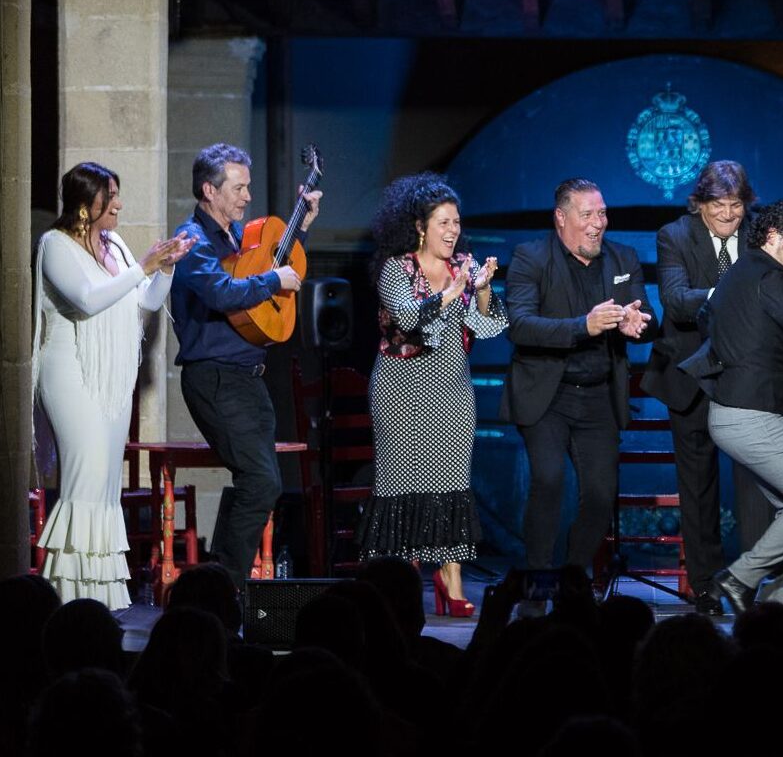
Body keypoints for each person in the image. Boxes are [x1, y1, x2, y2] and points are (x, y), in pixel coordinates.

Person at [34, 162, 193, 609]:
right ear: (87, 206)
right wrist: (142, 267)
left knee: (105, 487)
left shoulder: (115, 245)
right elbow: (86, 299)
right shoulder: (55, 246)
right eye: (112, 198)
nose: (119, 205)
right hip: (70, 373)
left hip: (110, 378)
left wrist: (164, 268)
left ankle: (103, 600)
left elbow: (144, 300)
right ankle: (68, 598)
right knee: (84, 480)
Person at [171, 142, 322, 589]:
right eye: (238, 188)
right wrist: (273, 280)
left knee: (257, 482)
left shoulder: (239, 238)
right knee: (260, 482)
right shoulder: (192, 242)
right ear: (208, 190)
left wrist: (301, 230)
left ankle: (217, 583)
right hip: (214, 377)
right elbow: (221, 292)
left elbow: (274, 264)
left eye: (249, 187)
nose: (247, 197)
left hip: (248, 378)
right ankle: (222, 587)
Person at [356, 172, 507, 617]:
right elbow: (406, 318)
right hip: (400, 387)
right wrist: (449, 295)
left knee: (450, 483)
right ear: (420, 226)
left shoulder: (464, 266)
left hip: (452, 389)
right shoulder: (396, 268)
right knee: (402, 482)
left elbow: (489, 325)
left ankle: (451, 576)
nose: (452, 230)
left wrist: (479, 292)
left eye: (456, 222)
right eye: (443, 222)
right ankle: (399, 579)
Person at [680, 199, 783, 615]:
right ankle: (736, 580)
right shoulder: (772, 278)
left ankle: (771, 611)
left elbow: (706, 323)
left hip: (729, 413)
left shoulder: (735, 274)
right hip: (753, 416)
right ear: (773, 236)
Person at [501, 178, 655, 577]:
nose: (597, 223)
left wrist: (638, 323)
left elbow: (648, 316)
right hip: (548, 394)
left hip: (599, 395)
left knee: (602, 495)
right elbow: (519, 325)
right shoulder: (530, 257)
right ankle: (537, 580)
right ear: (561, 218)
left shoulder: (623, 259)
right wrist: (582, 327)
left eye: (601, 213)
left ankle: (573, 576)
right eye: (586, 214)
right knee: (549, 481)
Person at [640, 160, 770, 614]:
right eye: (718, 206)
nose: (728, 215)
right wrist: (730, 294)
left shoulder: (759, 232)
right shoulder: (674, 236)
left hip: (747, 374)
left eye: (736, 205)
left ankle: (751, 584)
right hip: (690, 373)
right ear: (699, 204)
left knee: (755, 481)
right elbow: (676, 302)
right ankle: (704, 585)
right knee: (697, 485)